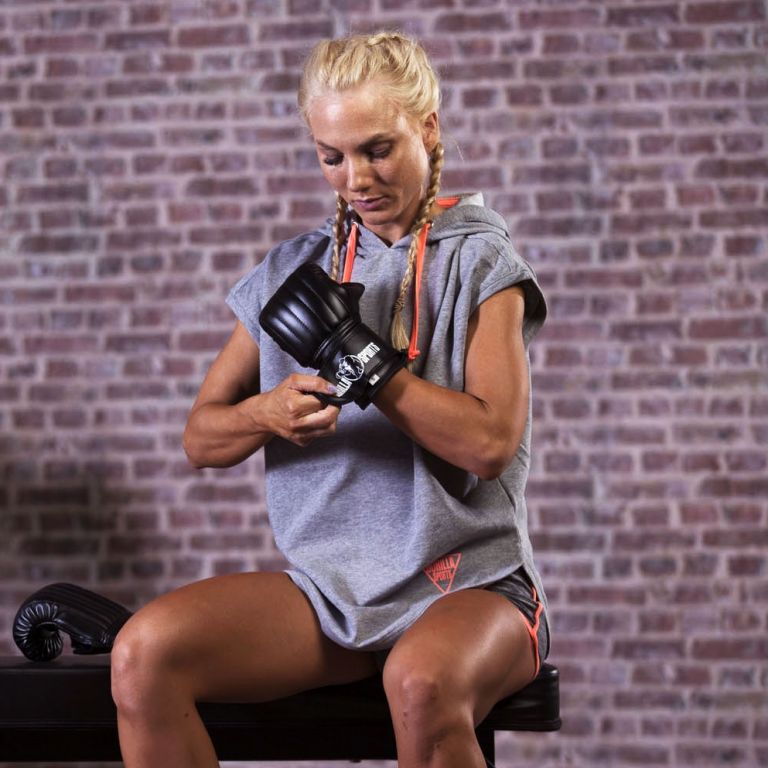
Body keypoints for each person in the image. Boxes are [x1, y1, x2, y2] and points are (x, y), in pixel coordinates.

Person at [110, 31, 549, 768]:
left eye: (378, 150)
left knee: (420, 684)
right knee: (144, 657)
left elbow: (489, 444)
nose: (356, 179)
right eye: (331, 156)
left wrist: (366, 362)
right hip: (332, 593)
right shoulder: (293, 271)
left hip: (467, 585)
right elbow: (201, 439)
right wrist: (265, 413)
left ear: (428, 129)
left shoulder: (482, 263)